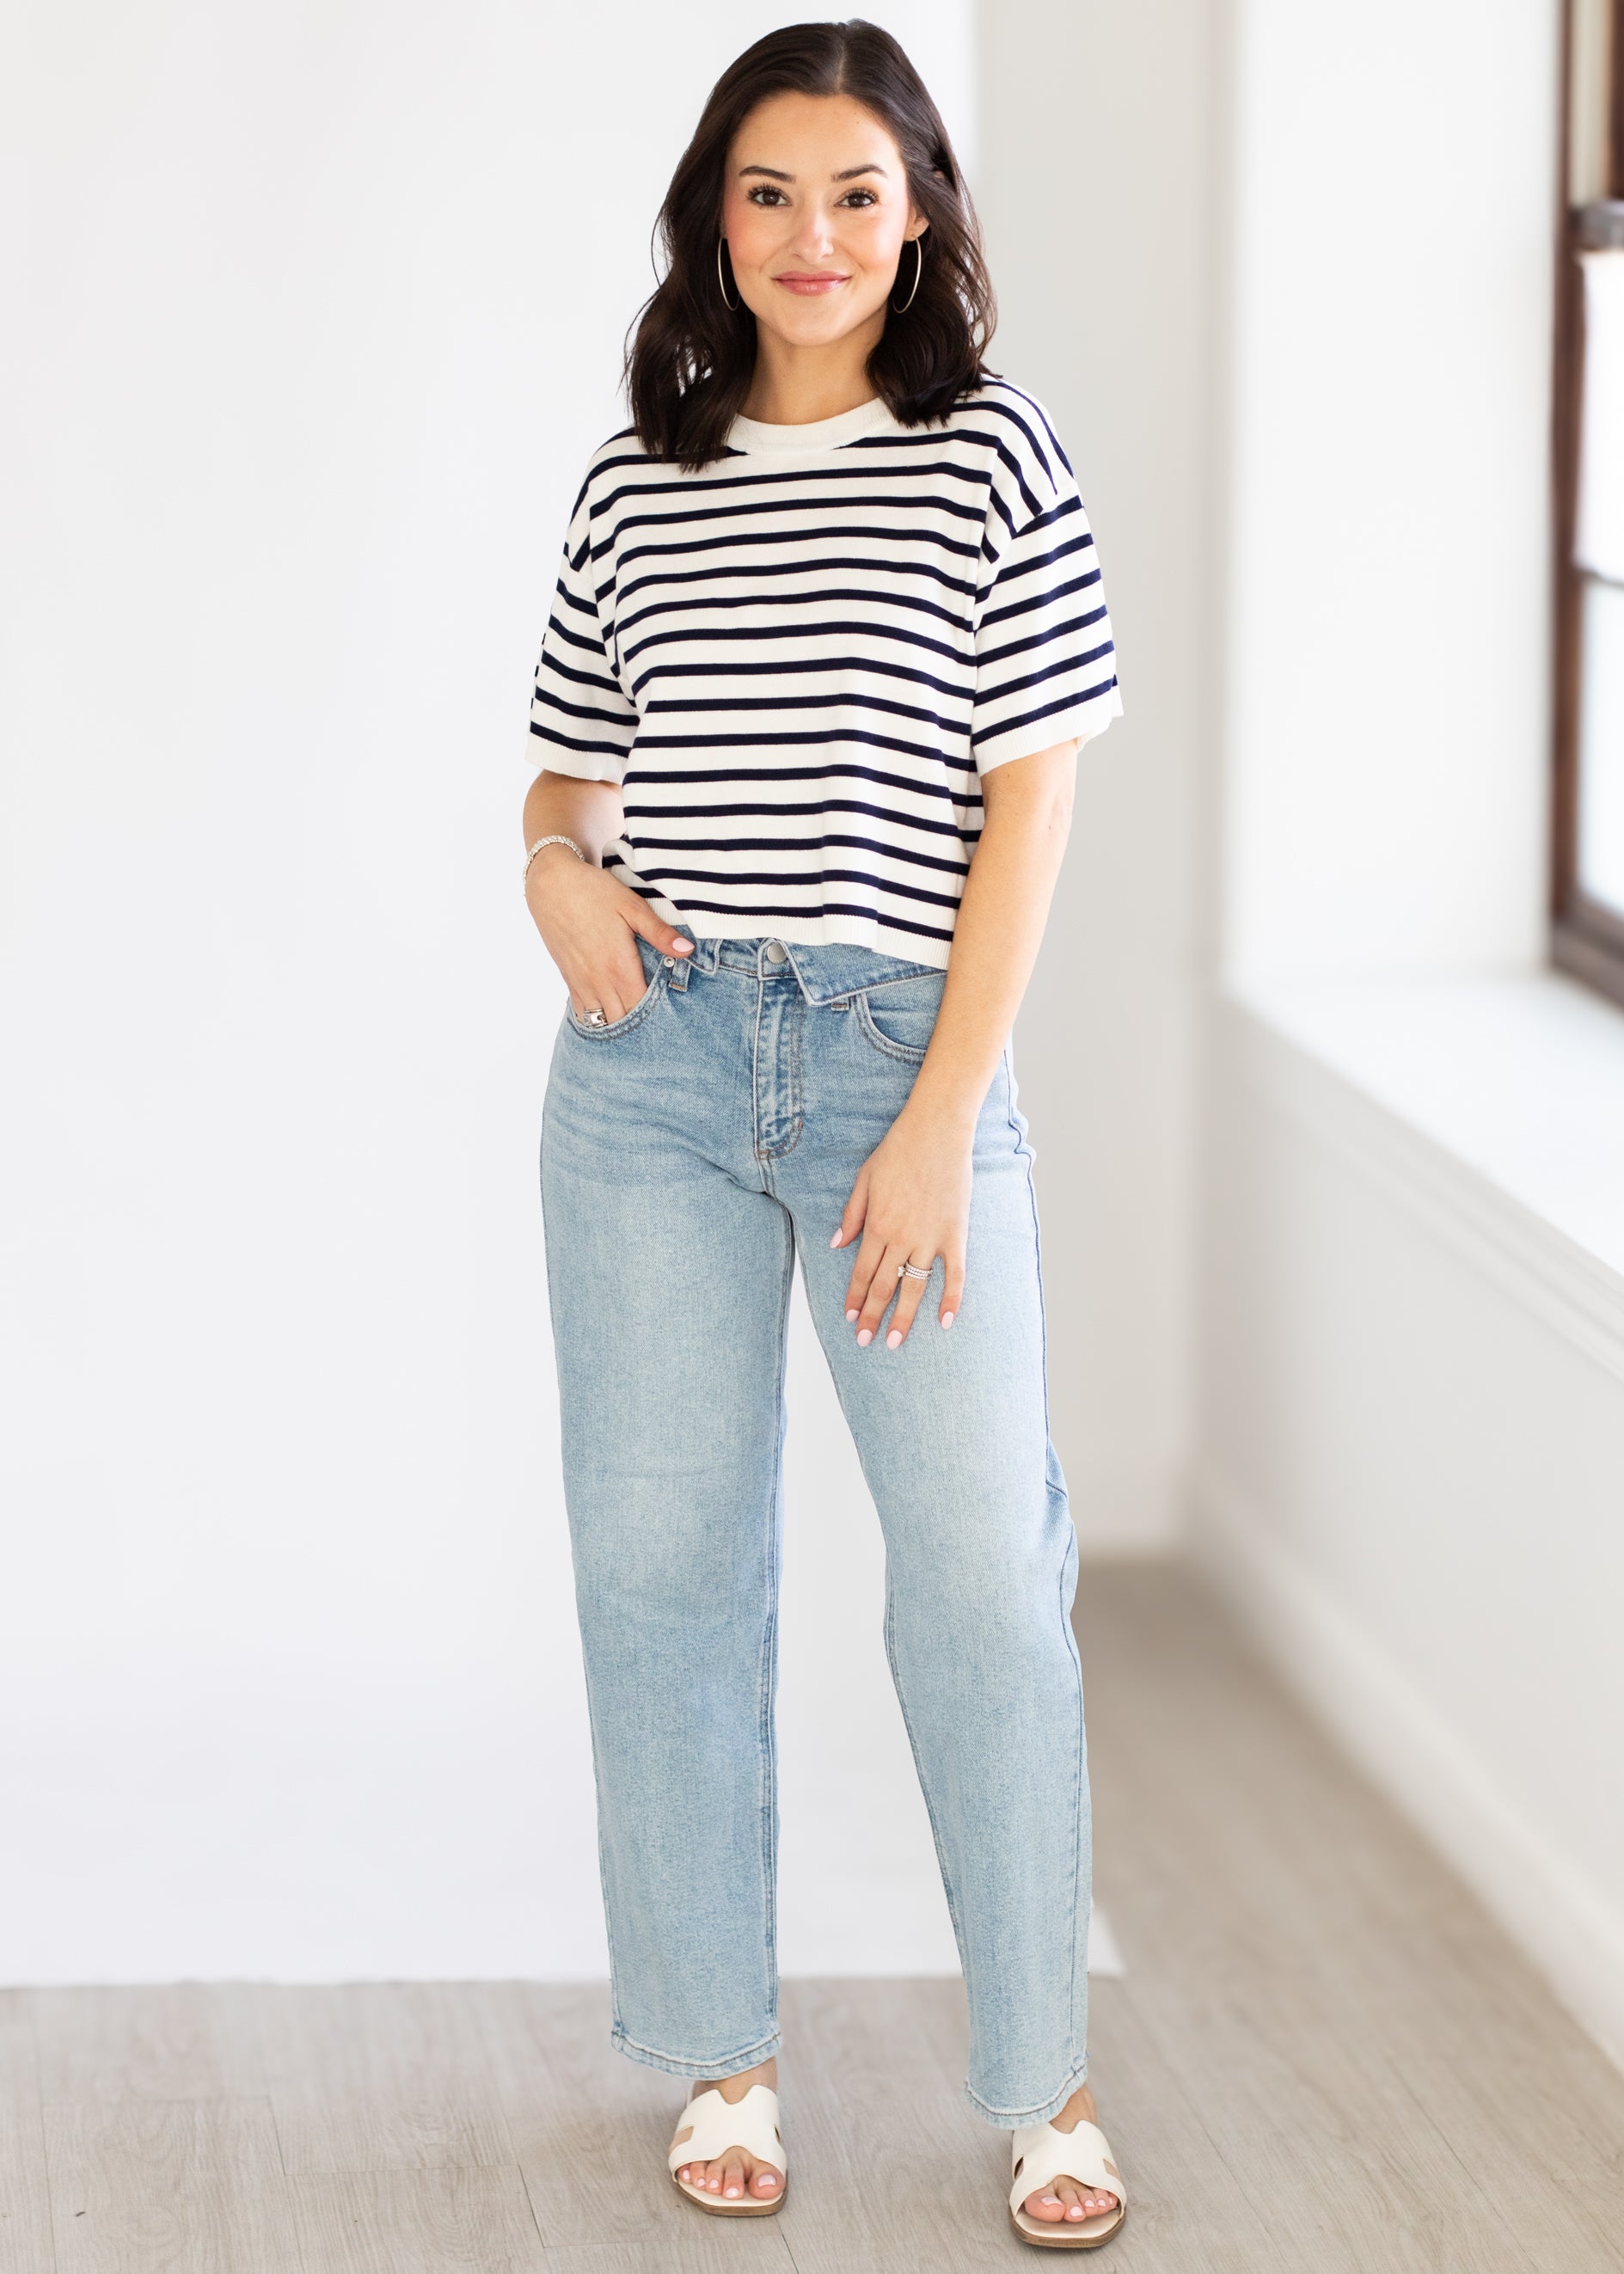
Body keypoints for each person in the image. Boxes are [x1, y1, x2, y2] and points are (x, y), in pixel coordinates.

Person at [520, 18, 1126, 2250]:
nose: (809, 235)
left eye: (854, 193)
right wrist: (554, 876)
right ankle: (720, 2057)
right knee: (665, 1577)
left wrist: (941, 1116)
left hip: (897, 1063)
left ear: (921, 214)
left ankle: (1039, 2083)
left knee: (978, 1578)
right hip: (653, 1083)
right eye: (768, 193)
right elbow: (567, 778)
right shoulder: (635, 481)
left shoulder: (992, 462)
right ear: (714, 217)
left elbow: (1029, 804)